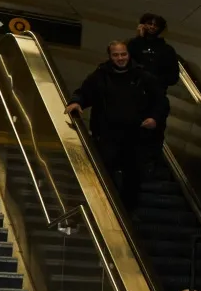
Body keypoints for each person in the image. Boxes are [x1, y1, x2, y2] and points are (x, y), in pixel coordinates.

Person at [65, 40, 163, 206]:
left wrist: (154, 118)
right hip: (106, 134)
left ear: (129, 54)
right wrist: (76, 102)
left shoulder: (143, 76)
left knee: (133, 175)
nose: (120, 58)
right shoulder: (100, 75)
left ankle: (127, 210)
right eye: (116, 55)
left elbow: (160, 101)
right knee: (105, 172)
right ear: (110, 56)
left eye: (123, 54)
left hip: (135, 135)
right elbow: (84, 92)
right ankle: (105, 206)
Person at [127, 12, 180, 163]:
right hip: (133, 95)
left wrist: (154, 80)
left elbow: (173, 76)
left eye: (155, 25)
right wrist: (138, 37)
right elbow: (125, 63)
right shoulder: (134, 44)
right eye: (149, 23)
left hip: (155, 96)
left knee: (154, 133)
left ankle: (149, 163)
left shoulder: (167, 50)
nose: (151, 27)